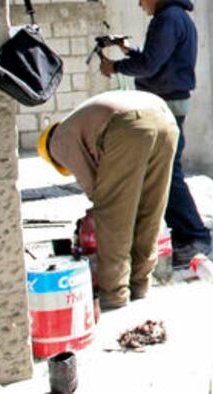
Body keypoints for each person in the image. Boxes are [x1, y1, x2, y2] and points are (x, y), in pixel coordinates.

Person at [99, 0, 212, 266]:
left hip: (167, 105)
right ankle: (186, 233)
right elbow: (156, 59)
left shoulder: (167, 19)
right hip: (169, 101)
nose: (140, 4)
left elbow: (150, 65)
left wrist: (116, 66)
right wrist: (127, 51)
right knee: (163, 171)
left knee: (168, 173)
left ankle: (195, 236)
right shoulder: (175, 18)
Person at [37, 90, 178, 309]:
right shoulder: (82, 123)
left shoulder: (58, 142)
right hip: (164, 119)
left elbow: (98, 191)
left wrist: (106, 204)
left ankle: (114, 294)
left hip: (128, 125)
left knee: (112, 217)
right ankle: (140, 284)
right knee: (150, 207)